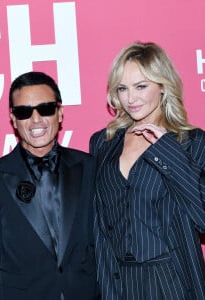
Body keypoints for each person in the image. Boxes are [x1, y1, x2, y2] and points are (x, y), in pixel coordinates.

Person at [90, 41, 205, 299]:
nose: (131, 98)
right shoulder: (103, 142)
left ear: (163, 86)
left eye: (141, 86)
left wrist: (167, 150)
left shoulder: (191, 142)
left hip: (171, 280)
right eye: (122, 88)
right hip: (118, 281)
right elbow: (98, 223)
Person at [0, 71, 99, 299]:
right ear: (13, 119)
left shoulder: (89, 167)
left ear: (60, 113)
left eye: (45, 109)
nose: (36, 120)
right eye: (24, 112)